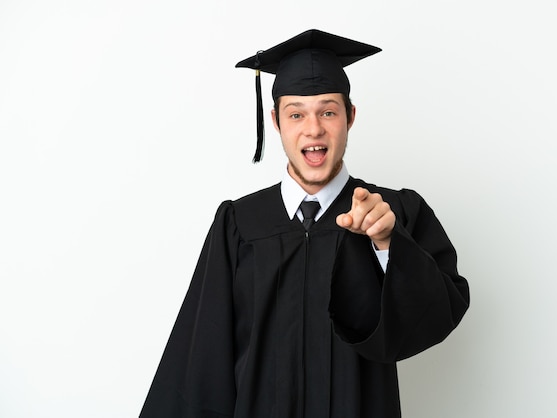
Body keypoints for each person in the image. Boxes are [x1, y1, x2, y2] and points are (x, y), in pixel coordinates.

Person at [139, 29, 469, 418]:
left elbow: (434, 319)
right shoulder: (239, 224)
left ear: (350, 116)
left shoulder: (393, 213)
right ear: (277, 121)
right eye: (297, 114)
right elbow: (200, 360)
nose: (313, 129)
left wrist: (387, 244)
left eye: (328, 111)